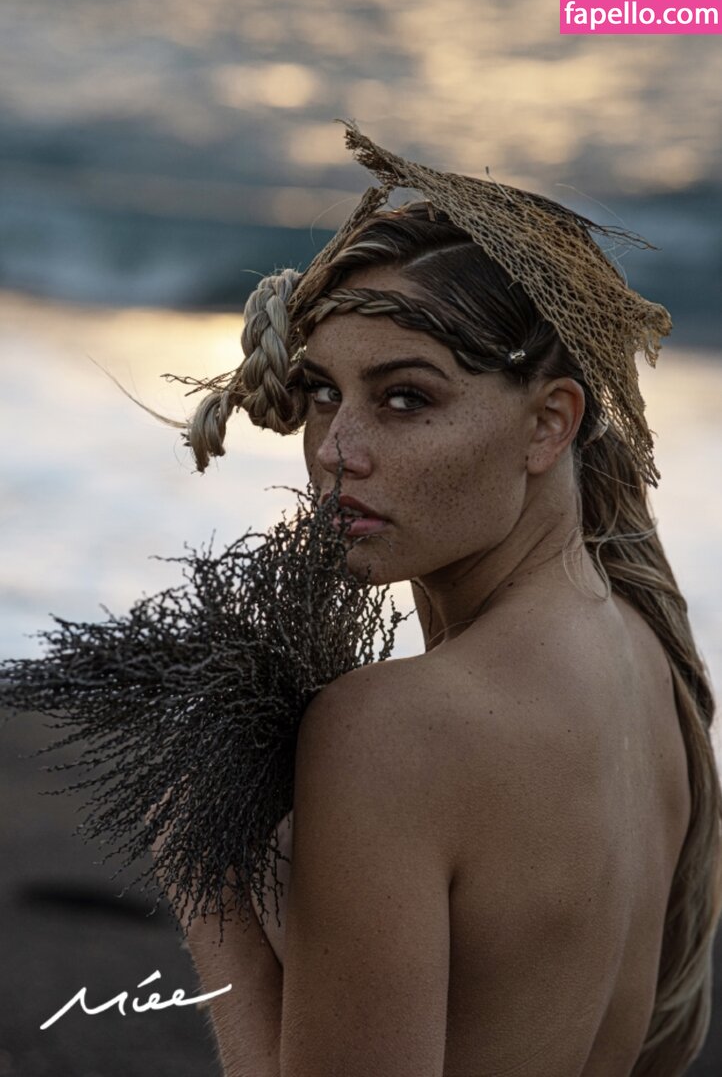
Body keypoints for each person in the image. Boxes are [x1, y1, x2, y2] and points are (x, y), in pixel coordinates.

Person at [163, 125, 722, 1077]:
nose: (337, 451)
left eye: (406, 399)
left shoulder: (392, 732)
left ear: (549, 424)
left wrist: (209, 890)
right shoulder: (650, 663)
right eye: (323, 393)